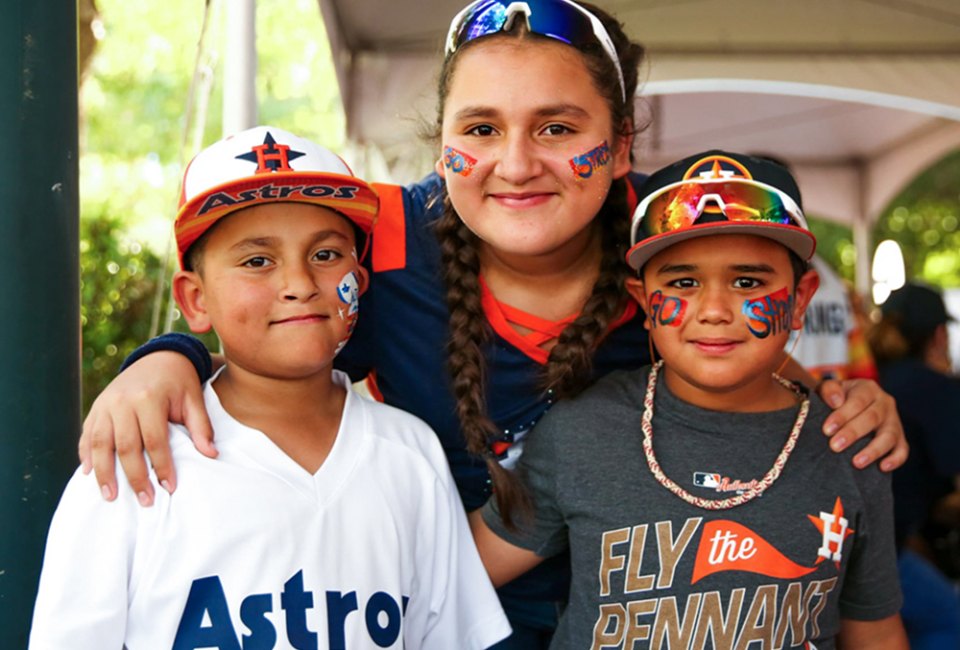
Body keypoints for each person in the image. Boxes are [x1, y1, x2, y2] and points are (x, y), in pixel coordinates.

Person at [78, 1, 907, 646]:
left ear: (619, 146)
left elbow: (753, 360)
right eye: (480, 129)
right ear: (441, 146)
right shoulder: (379, 243)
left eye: (557, 127)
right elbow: (268, 318)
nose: (515, 164)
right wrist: (168, 356)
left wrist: (841, 400)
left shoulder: (676, 245)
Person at [30, 126, 510, 649]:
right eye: (257, 261)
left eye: (326, 255)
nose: (299, 283)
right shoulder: (136, 457)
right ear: (195, 300)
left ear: (361, 282)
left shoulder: (411, 453)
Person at [471, 151, 908, 649]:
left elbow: (874, 629)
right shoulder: (583, 431)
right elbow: (453, 574)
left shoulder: (851, 441)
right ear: (643, 302)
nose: (715, 310)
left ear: (801, 298)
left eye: (748, 282)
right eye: (683, 282)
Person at [868, 281, 960, 650]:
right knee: (949, 625)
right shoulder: (936, 389)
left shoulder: (871, 379)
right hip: (890, 546)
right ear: (938, 335)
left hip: (861, 538)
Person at [791, 254, 879, 382]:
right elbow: (863, 371)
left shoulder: (828, 278)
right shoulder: (831, 280)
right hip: (836, 392)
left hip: (786, 394)